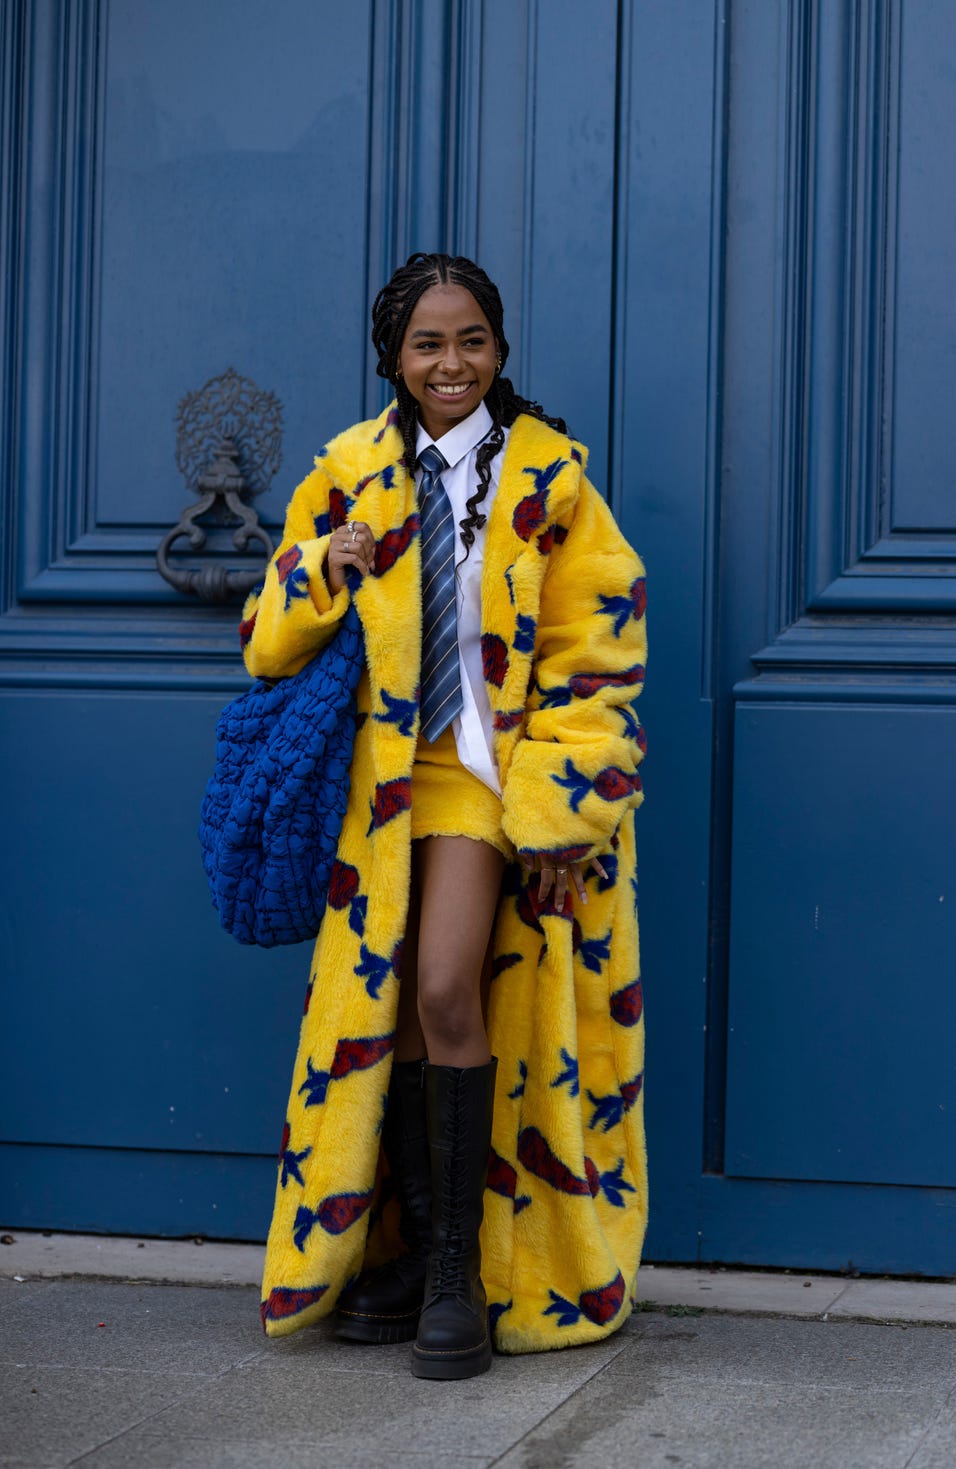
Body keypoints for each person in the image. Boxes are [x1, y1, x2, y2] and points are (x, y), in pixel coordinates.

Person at [240, 253, 648, 1380]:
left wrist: (563, 811)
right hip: (374, 790)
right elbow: (265, 636)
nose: (450, 362)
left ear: (498, 350)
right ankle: (415, 1254)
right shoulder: (352, 469)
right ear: (395, 358)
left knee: (438, 986)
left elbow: (598, 649)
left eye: (470, 339)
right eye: (427, 344)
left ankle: (461, 1272)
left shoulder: (549, 479)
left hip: (479, 779)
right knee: (395, 1016)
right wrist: (322, 564)